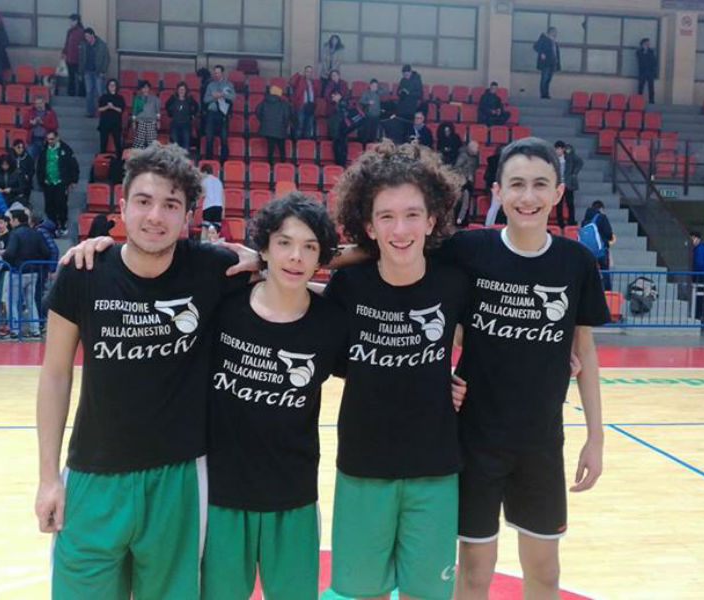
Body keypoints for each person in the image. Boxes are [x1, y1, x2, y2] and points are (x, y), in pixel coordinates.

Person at [35, 143, 252, 600]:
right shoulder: (82, 272)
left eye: (171, 205)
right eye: (144, 201)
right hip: (93, 476)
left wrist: (262, 258)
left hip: (178, 478)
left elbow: (303, 258)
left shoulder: (211, 268)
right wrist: (48, 478)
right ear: (122, 207)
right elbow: (55, 375)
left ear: (188, 215)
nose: (155, 216)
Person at [435, 137, 609, 600]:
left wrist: (595, 437)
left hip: (541, 444)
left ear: (558, 193)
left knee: (545, 573)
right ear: (497, 191)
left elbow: (585, 352)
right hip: (474, 441)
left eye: (539, 184)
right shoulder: (468, 250)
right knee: (475, 572)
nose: (527, 197)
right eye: (516, 184)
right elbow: (404, 272)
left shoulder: (576, 262)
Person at [326, 142, 470, 600]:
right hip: (363, 468)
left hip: (435, 470)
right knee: (364, 592)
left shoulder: (455, 283)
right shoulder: (348, 286)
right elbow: (327, 356)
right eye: (386, 216)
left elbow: (492, 345)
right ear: (369, 226)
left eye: (412, 214)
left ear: (432, 220)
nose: (400, 229)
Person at [202, 194, 346, 600]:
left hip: (293, 497)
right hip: (221, 497)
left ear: (321, 258)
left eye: (309, 247)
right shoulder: (223, 308)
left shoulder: (332, 324)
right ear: (262, 247)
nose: (295, 256)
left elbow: (381, 369)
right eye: (284, 243)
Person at [0, 209, 50, 339]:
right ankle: (35, 330)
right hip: (33, 272)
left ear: (16, 220)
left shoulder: (15, 234)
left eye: (11, 220)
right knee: (31, 302)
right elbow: (46, 252)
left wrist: (4, 256)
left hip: (17, 271)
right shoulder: (36, 233)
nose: (10, 222)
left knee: (11, 301)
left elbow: (10, 253)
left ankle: (14, 330)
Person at [36, 132, 79, 237]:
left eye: (52, 139)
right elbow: (39, 166)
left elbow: (73, 165)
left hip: (61, 182)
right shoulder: (43, 150)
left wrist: (74, 180)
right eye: (48, 139)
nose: (50, 141)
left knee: (61, 204)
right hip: (48, 182)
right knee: (49, 206)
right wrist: (41, 180)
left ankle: (63, 225)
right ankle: (52, 226)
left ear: (57, 138)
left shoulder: (66, 150)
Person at [202, 65, 235, 161]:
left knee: (224, 138)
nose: (216, 75)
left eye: (218, 73)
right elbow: (205, 100)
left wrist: (222, 95)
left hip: (223, 114)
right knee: (209, 137)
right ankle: (209, 160)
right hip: (211, 113)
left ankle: (224, 162)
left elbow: (232, 97)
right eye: (215, 73)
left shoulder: (228, 84)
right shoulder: (210, 85)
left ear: (222, 73)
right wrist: (214, 97)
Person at [581, 200, 615, 291]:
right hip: (601, 251)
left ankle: (589, 291)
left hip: (587, 252)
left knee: (589, 273)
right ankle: (607, 293)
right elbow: (608, 233)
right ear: (601, 208)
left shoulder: (585, 221)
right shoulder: (602, 217)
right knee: (605, 272)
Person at [256, 86, 292, 164]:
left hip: (268, 129)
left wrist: (264, 121)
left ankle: (270, 164)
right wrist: (285, 125)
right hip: (280, 129)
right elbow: (287, 116)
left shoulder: (264, 102)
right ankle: (283, 164)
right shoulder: (284, 104)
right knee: (281, 147)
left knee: (270, 147)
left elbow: (258, 112)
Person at [79, 27, 110, 118]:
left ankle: (102, 112)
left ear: (92, 35)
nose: (86, 38)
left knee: (100, 92)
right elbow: (81, 59)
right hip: (87, 71)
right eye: (85, 36)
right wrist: (81, 71)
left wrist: (103, 71)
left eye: (87, 36)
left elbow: (107, 59)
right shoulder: (84, 45)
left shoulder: (102, 45)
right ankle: (90, 112)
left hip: (98, 72)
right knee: (89, 92)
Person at [554, 140, 583, 227]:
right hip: (558, 185)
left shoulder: (569, 156)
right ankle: (560, 223)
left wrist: (574, 173)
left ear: (563, 149)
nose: (557, 151)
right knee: (559, 204)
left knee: (570, 203)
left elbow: (580, 162)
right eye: (556, 149)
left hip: (568, 184)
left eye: (559, 149)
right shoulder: (553, 159)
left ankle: (571, 221)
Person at [165, 82, 199, 152]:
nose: (181, 91)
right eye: (180, 89)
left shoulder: (189, 99)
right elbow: (166, 106)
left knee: (186, 144)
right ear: (177, 90)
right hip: (175, 123)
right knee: (174, 144)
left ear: (186, 90)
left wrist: (192, 115)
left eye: (183, 89)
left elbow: (197, 107)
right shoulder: (173, 99)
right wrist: (170, 114)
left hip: (186, 124)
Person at [454, 141, 481, 226]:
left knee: (468, 201)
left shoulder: (476, 157)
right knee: (464, 201)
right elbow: (457, 167)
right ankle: (460, 219)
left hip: (470, 181)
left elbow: (476, 167)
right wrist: (465, 176)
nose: (478, 150)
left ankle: (464, 219)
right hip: (464, 182)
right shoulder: (463, 156)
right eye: (476, 148)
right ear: (471, 148)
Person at [290, 65, 319, 140]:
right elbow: (291, 82)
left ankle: (307, 142)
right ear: (304, 72)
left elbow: (317, 93)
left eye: (310, 72)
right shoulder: (300, 80)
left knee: (309, 125)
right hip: (301, 105)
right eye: (307, 71)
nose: (309, 73)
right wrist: (298, 74)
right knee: (300, 124)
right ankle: (297, 141)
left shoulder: (314, 82)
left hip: (311, 106)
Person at [97, 78, 125, 156]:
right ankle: (102, 158)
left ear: (116, 87)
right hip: (104, 123)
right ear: (108, 86)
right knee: (103, 143)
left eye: (113, 85)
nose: (112, 87)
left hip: (116, 123)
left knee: (117, 143)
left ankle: (119, 159)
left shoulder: (120, 98)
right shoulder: (103, 97)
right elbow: (100, 109)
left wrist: (112, 107)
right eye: (110, 85)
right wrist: (107, 107)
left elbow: (120, 110)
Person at [690, 231, 704, 323]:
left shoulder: (699, 249)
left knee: (700, 297)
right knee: (701, 296)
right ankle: (700, 315)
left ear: (697, 238)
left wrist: (695, 274)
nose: (692, 241)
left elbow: (699, 264)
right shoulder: (701, 249)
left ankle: (699, 316)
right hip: (703, 275)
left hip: (700, 275)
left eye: (693, 238)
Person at [131, 80, 160, 149]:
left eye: (147, 88)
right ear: (141, 89)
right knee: (139, 143)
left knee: (152, 143)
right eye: (144, 88)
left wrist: (158, 121)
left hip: (152, 122)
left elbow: (158, 112)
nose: (145, 89)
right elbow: (134, 112)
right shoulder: (137, 99)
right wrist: (133, 122)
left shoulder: (155, 98)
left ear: (149, 89)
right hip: (141, 122)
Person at [358, 79, 388, 144]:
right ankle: (365, 145)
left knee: (374, 132)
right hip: (368, 115)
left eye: (376, 86)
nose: (374, 87)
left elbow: (386, 91)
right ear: (370, 85)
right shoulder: (365, 93)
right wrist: (368, 102)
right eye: (373, 86)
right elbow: (361, 101)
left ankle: (372, 144)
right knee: (367, 132)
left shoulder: (378, 92)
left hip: (376, 115)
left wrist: (380, 87)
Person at [61, 14, 84, 97]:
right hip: (69, 59)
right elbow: (66, 43)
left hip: (79, 60)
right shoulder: (69, 31)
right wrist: (64, 53)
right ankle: (71, 93)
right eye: (69, 21)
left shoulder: (82, 32)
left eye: (71, 21)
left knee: (81, 77)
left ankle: (82, 94)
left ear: (76, 21)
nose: (70, 23)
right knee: (71, 77)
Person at [534, 27, 560, 99]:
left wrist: (557, 62)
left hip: (553, 63)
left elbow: (555, 53)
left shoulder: (554, 41)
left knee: (549, 79)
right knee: (544, 78)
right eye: (555, 32)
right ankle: (543, 95)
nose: (556, 33)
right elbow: (536, 46)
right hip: (546, 63)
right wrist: (542, 53)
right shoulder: (544, 39)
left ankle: (546, 94)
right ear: (551, 32)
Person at [8, 139, 35, 204]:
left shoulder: (28, 158)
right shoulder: (9, 157)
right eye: (18, 147)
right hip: (12, 183)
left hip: (25, 183)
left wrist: (27, 176)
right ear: (14, 147)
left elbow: (32, 170)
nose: (21, 149)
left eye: (22, 148)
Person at [484, 146, 504, 226]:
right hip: (497, 186)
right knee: (495, 206)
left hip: (493, 185)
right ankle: (489, 225)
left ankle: (489, 224)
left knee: (494, 207)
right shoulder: (501, 163)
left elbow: (486, 177)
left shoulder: (492, 162)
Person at [636, 38, 658, 104]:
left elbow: (654, 61)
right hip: (642, 72)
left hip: (650, 72)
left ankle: (651, 101)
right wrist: (645, 51)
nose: (647, 45)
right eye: (646, 44)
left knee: (651, 87)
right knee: (641, 86)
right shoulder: (639, 51)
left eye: (648, 44)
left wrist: (647, 52)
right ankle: (639, 101)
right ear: (642, 44)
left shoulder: (651, 51)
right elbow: (640, 60)